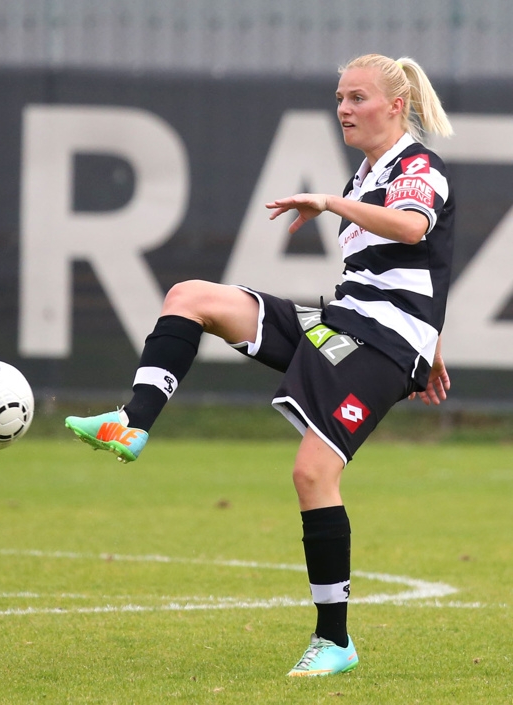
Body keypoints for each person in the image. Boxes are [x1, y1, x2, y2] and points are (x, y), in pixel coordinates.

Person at [65, 53, 454, 676]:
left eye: (357, 97)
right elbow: (415, 271)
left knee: (311, 476)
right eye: (339, 97)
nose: (344, 109)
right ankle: (132, 422)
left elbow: (412, 230)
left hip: (379, 347)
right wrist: (434, 347)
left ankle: (335, 641)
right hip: (349, 327)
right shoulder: (365, 174)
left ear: (395, 106)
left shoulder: (416, 167)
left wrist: (330, 204)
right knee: (190, 298)